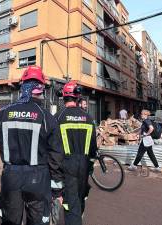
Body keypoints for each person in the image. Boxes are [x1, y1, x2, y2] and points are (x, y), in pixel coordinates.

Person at [0, 66, 64, 225]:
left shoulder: (4, 113)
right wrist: (57, 189)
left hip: (11, 177)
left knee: (10, 221)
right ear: (40, 89)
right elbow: (56, 155)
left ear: (23, 87)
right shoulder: (46, 117)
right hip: (38, 178)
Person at [54, 81, 97, 225]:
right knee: (80, 198)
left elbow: (53, 149)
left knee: (70, 205)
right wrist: (89, 167)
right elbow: (93, 149)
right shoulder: (89, 119)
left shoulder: (58, 118)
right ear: (78, 97)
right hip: (84, 168)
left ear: (63, 97)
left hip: (66, 168)